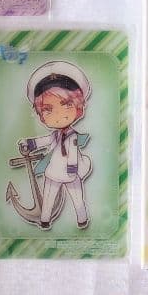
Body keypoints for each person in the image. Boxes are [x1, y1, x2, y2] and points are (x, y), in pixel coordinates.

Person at [19, 61, 92, 230]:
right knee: (48, 197)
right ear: (40, 114)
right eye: (48, 109)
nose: (58, 115)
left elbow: (72, 153)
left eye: (66, 105)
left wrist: (72, 170)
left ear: (78, 107)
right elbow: (45, 140)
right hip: (53, 173)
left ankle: (82, 219)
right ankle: (45, 219)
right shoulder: (55, 135)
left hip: (71, 174)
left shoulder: (72, 137)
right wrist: (30, 143)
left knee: (77, 198)